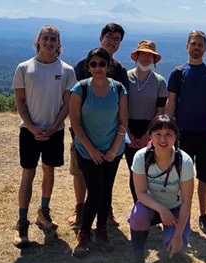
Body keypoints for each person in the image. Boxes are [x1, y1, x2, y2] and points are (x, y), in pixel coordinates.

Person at [12, 25, 76, 248]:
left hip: (54, 131)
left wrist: (54, 127)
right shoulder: (24, 67)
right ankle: (22, 222)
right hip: (28, 131)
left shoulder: (67, 70)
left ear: (59, 44)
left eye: (54, 39)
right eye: (46, 38)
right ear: (38, 40)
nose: (49, 42)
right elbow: (20, 100)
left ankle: (43, 212)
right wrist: (30, 127)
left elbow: (68, 103)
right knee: (28, 174)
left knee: (49, 171)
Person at [68, 23, 129, 228]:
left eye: (117, 39)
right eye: (110, 37)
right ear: (101, 37)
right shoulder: (82, 65)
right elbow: (74, 99)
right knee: (80, 172)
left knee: (105, 181)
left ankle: (105, 212)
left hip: (110, 136)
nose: (113, 42)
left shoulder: (119, 71)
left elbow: (123, 106)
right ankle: (79, 209)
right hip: (83, 133)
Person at [166, 30, 206, 235]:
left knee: (205, 177)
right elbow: (171, 103)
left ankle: (202, 215)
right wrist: (168, 131)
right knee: (183, 177)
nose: (197, 47)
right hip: (183, 134)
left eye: (200, 44)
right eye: (193, 44)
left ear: (205, 48)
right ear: (187, 47)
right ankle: (185, 215)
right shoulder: (178, 72)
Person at [129, 115, 194, 263]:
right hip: (151, 206)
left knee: (176, 247)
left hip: (176, 209)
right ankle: (138, 259)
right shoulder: (141, 157)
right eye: (158, 134)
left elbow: (186, 202)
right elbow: (141, 193)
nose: (163, 139)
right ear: (150, 135)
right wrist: (161, 209)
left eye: (168, 134)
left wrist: (178, 235)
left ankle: (173, 240)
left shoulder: (183, 161)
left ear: (175, 137)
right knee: (138, 216)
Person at [125, 40, 168, 203]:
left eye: (150, 55)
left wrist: (148, 136)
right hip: (127, 127)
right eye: (143, 53)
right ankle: (139, 206)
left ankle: (152, 206)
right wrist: (127, 133)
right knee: (134, 171)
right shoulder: (126, 78)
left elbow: (160, 112)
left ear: (154, 59)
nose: (146, 57)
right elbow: (120, 108)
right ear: (136, 56)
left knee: (151, 171)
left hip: (150, 130)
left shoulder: (159, 81)